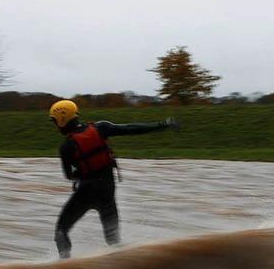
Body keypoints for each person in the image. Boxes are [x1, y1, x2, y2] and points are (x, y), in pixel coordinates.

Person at [49, 99, 179, 259]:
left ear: (62, 120)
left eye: (55, 121)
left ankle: (65, 266)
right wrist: (163, 124)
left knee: (61, 230)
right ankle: (131, 262)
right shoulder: (100, 128)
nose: (55, 125)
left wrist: (80, 174)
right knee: (113, 240)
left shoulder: (66, 147)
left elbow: (69, 175)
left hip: (86, 192)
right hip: (106, 191)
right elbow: (131, 129)